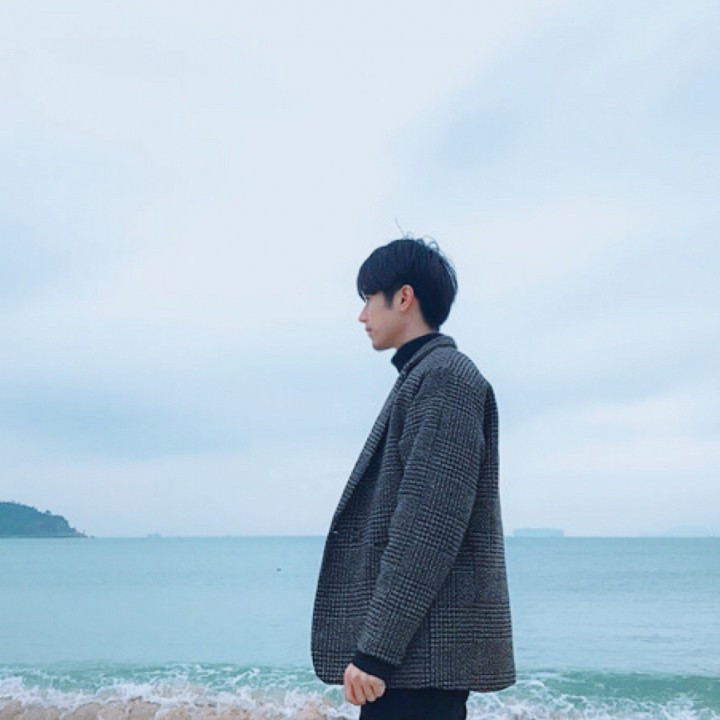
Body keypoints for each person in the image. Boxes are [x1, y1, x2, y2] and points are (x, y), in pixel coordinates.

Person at [311, 237, 515, 720]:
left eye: (368, 299)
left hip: (419, 662)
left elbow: (429, 527)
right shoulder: (423, 376)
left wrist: (376, 652)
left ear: (404, 297)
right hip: (416, 660)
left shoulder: (444, 379)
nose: (362, 315)